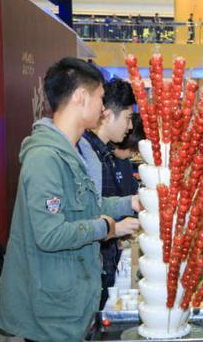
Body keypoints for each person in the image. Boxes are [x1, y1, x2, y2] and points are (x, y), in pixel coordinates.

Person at [0, 58, 141, 341]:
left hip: (70, 304)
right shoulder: (45, 158)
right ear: (81, 97)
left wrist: (127, 204)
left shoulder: (73, 152)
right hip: (49, 313)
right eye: (99, 97)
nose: (102, 106)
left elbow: (85, 206)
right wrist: (104, 227)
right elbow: (49, 234)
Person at [78, 77, 136, 309]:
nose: (130, 127)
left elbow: (100, 204)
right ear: (107, 113)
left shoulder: (104, 155)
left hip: (105, 262)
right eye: (127, 118)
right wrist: (113, 229)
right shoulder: (85, 155)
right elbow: (84, 214)